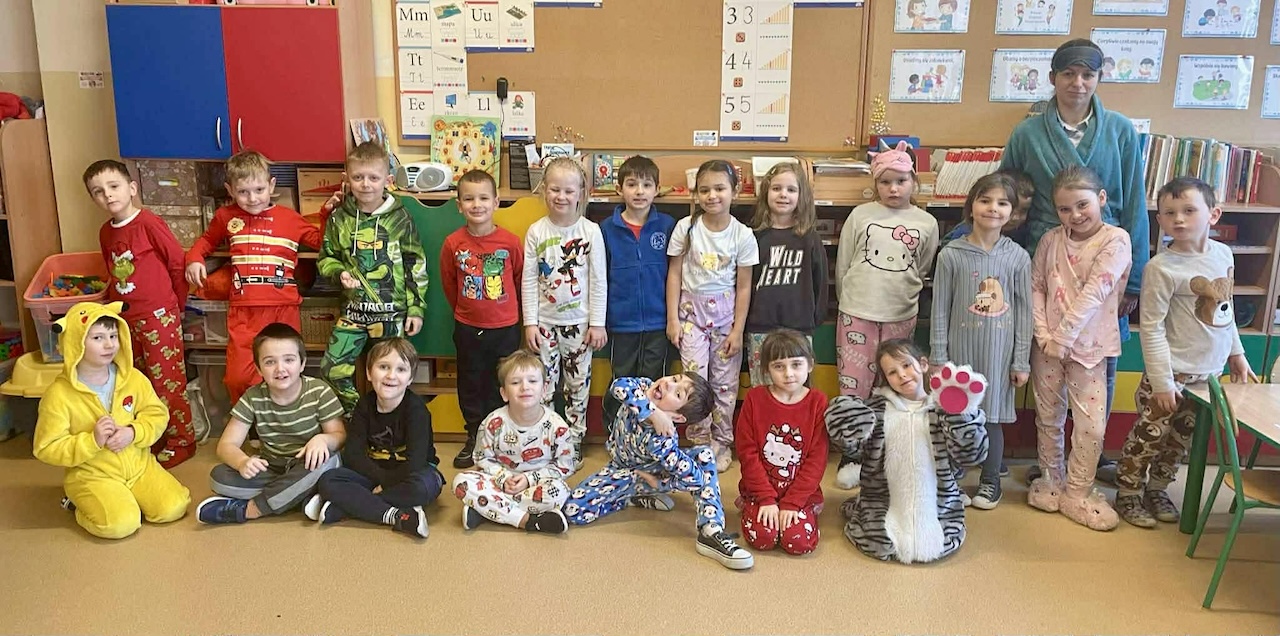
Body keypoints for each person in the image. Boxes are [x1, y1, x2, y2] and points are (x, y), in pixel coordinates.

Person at [1001, 38, 1149, 486]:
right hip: (1047, 260)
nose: (1078, 83)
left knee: (1098, 361)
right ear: (1053, 78)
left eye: (1088, 74)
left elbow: (1135, 204)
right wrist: (1002, 260)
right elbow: (1009, 197)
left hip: (1106, 261)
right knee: (1048, 355)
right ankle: (1049, 460)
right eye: (1068, 73)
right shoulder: (1027, 134)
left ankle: (1091, 454)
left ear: (1100, 78)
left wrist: (1135, 280)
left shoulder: (1120, 130)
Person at [1115, 177, 1257, 528]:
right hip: (1170, 377)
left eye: (1189, 210)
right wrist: (1162, 382)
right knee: (1149, 438)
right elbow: (1151, 327)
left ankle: (1157, 489)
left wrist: (1237, 353)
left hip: (1207, 377)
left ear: (1213, 214)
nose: (1178, 219)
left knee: (1180, 441)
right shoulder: (1161, 268)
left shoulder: (1223, 255)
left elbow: (1224, 309)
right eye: (1169, 213)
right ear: (1159, 220)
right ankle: (1128, 493)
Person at [1028, 166, 1132, 532]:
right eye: (1064, 208)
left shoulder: (1116, 240)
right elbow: (1036, 286)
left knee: (1090, 426)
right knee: (1048, 417)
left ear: (1101, 199)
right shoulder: (1050, 240)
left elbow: (1095, 292)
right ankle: (1051, 481)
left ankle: (1078, 490)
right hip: (1047, 347)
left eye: (1082, 205)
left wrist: (1062, 338)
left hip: (1090, 348)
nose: (1074, 215)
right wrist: (1043, 334)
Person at [564, 371, 753, 569]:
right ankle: (630, 498)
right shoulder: (644, 387)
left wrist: (660, 483)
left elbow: (696, 479)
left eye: (678, 394)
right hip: (621, 469)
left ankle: (711, 530)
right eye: (674, 379)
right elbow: (619, 386)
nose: (669, 384)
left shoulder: (662, 440)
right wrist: (653, 413)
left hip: (643, 474)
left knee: (704, 455)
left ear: (678, 417)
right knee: (574, 510)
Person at [33, 301, 190, 539]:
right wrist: (92, 441)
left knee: (174, 506)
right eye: (97, 338)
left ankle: (126, 498)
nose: (109, 344)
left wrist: (134, 432)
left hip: (139, 467)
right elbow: (46, 447)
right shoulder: (59, 395)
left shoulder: (133, 378)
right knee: (121, 525)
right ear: (75, 342)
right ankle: (77, 503)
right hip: (93, 475)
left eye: (113, 336)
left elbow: (157, 413)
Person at [832, 142, 939, 490]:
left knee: (895, 383)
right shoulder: (860, 215)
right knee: (854, 385)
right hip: (857, 311)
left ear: (913, 182)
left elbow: (922, 266)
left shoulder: (926, 222)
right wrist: (848, 299)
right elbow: (844, 262)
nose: (894, 189)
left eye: (901, 181)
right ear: (875, 184)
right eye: (885, 182)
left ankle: (888, 451)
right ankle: (852, 453)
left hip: (900, 313)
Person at [825, 340, 989, 564]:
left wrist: (961, 419)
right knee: (877, 541)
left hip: (938, 500)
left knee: (943, 538)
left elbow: (971, 456)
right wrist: (846, 423)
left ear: (923, 364)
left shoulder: (941, 410)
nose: (902, 375)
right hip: (883, 498)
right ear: (886, 378)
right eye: (892, 372)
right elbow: (853, 450)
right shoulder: (876, 410)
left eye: (906, 365)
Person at [185, 150, 322, 407]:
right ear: (230, 190)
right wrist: (194, 258)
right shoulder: (226, 216)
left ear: (272, 185)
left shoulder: (290, 219)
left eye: (259, 190)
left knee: (285, 373)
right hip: (244, 312)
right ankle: (248, 422)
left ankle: (285, 419)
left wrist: (328, 213)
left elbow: (321, 241)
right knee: (238, 377)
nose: (252, 198)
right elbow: (206, 241)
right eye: (243, 192)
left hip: (282, 309)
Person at [930, 173, 1032, 510]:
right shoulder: (951, 254)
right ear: (971, 206)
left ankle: (990, 481)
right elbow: (940, 308)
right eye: (985, 200)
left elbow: (1024, 312)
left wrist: (1021, 361)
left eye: (1002, 203)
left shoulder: (1018, 257)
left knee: (992, 417)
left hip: (999, 355)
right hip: (959, 355)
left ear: (1013, 212)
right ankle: (952, 479)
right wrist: (938, 356)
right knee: (954, 417)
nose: (993, 208)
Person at [84, 159, 195, 468]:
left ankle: (182, 440)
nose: (107, 194)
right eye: (98, 191)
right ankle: (152, 435)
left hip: (159, 315)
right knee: (138, 382)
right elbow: (113, 272)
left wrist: (176, 307)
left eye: (114, 186)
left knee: (167, 383)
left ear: (132, 188)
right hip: (125, 320)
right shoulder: (106, 232)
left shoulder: (149, 223)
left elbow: (177, 263)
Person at [318, 141, 428, 416]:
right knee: (331, 369)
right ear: (347, 179)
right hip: (353, 313)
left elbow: (415, 263)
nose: (366, 184)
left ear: (387, 180)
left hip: (391, 315)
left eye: (373, 177)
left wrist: (416, 309)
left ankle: (390, 422)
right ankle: (359, 416)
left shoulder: (401, 218)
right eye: (358, 177)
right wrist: (339, 273)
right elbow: (326, 258)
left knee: (392, 376)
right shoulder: (339, 219)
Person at [198, 323, 347, 524]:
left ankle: (251, 509)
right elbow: (226, 445)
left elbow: (340, 436)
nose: (280, 369)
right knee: (218, 477)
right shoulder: (253, 397)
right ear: (258, 368)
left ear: (302, 364)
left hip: (309, 464)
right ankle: (297, 495)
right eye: (270, 362)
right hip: (273, 469)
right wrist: (242, 462)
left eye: (289, 360)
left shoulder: (319, 391)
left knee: (330, 462)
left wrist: (322, 440)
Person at [666, 159, 760, 472]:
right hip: (690, 318)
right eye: (704, 190)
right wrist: (673, 320)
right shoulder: (686, 228)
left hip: (726, 321)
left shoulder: (742, 235)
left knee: (724, 384)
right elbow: (674, 274)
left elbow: (744, 286)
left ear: (735, 191)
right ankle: (698, 440)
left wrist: (737, 330)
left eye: (720, 188)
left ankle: (721, 441)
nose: (712, 196)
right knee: (694, 381)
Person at [306, 338, 443, 538]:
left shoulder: (417, 411)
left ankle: (347, 507)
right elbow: (353, 454)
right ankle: (395, 514)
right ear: (369, 373)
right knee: (328, 480)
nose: (391, 376)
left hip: (411, 475)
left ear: (410, 378)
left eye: (401, 369)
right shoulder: (364, 406)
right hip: (371, 474)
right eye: (383, 367)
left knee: (424, 487)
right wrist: (381, 481)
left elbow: (416, 462)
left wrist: (385, 485)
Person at [522, 156, 607, 469]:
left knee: (577, 385)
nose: (561, 196)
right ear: (544, 190)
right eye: (555, 189)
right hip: (544, 323)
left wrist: (597, 323)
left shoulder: (591, 231)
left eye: (569, 191)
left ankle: (573, 440)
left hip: (579, 325)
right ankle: (544, 440)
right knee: (543, 384)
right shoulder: (536, 232)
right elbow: (529, 280)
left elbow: (599, 280)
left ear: (581, 193)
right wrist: (530, 323)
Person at [441, 169, 524, 468]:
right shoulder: (453, 243)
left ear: (496, 202)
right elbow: (450, 284)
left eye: (484, 198)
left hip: (505, 327)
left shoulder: (510, 242)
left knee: (502, 382)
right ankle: (475, 436)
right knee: (471, 383)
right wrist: (467, 312)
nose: (477, 205)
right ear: (459, 205)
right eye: (469, 199)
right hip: (468, 327)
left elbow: (519, 281)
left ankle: (503, 438)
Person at [451, 350, 575, 534]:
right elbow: (482, 458)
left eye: (532, 381)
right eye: (516, 383)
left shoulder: (557, 427)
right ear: (504, 393)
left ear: (544, 389)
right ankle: (527, 521)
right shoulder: (492, 423)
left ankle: (488, 509)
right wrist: (503, 479)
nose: (525, 387)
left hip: (537, 485)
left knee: (560, 491)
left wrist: (529, 479)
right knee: (461, 482)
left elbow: (565, 466)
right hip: (500, 483)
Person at [735, 330, 828, 555]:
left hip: (801, 494)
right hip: (759, 491)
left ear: (810, 365)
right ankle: (750, 505)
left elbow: (817, 460)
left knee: (797, 543)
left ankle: (805, 511)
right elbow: (747, 455)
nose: (788, 374)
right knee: (763, 538)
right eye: (779, 366)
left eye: (796, 364)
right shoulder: (754, 399)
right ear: (767, 369)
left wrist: (793, 502)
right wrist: (766, 499)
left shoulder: (818, 402)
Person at [601, 156, 675, 431]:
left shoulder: (667, 225)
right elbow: (600, 279)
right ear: (619, 189)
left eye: (647, 185)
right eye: (632, 184)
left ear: (657, 189)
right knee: (621, 379)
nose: (639, 191)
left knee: (654, 382)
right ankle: (615, 430)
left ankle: (647, 432)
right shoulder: (606, 230)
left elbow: (677, 274)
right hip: (621, 323)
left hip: (658, 322)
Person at [744, 162, 828, 387]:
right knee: (762, 389)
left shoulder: (809, 238)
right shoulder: (753, 236)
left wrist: (814, 319)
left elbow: (820, 282)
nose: (783, 194)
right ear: (766, 192)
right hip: (760, 327)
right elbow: (743, 282)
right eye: (776, 188)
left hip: (798, 328)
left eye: (791, 189)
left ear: (802, 196)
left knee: (796, 388)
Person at [940, 169, 1033, 248]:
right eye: (1002, 204)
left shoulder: (1022, 232)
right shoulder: (966, 232)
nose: (1016, 217)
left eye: (1023, 210)